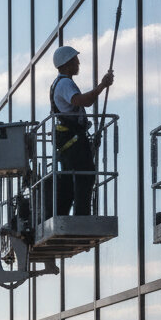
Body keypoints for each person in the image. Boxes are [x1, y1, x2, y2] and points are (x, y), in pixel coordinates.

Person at [47, 45, 114, 217]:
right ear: (67, 64)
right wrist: (102, 86)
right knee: (85, 176)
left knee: (71, 180)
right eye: (75, 60)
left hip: (69, 139)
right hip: (73, 141)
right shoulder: (65, 83)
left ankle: (66, 214)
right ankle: (81, 216)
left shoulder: (59, 83)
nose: (78, 63)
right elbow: (82, 101)